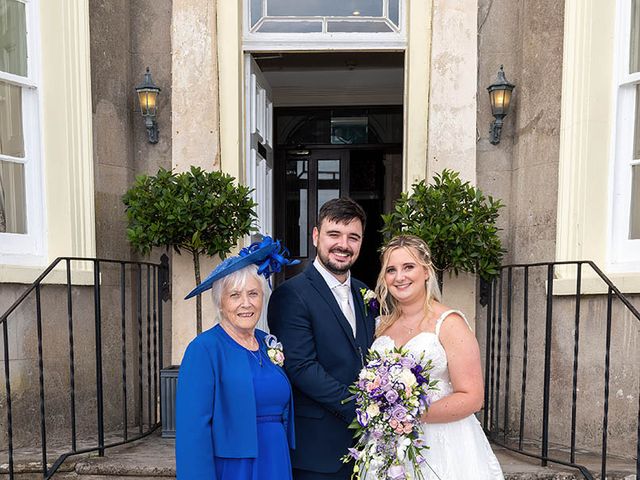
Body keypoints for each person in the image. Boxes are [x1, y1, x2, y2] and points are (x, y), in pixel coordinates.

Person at [370, 235, 504, 479]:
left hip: (443, 444)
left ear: (426, 272)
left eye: (408, 267)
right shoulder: (381, 325)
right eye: (391, 270)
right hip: (389, 444)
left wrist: (407, 414)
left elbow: (473, 397)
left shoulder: (450, 323)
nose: (399, 277)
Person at [268, 198, 376, 480]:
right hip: (318, 450)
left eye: (353, 237)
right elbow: (301, 367)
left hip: (368, 449)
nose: (344, 244)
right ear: (316, 236)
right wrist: (363, 410)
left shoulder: (365, 293)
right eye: (334, 234)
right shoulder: (291, 294)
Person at [175, 237, 298, 480]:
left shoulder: (267, 343)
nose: (246, 303)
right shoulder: (204, 349)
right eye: (235, 295)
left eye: (253, 293)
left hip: (275, 458)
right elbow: (193, 433)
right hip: (235, 468)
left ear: (262, 298)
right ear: (220, 302)